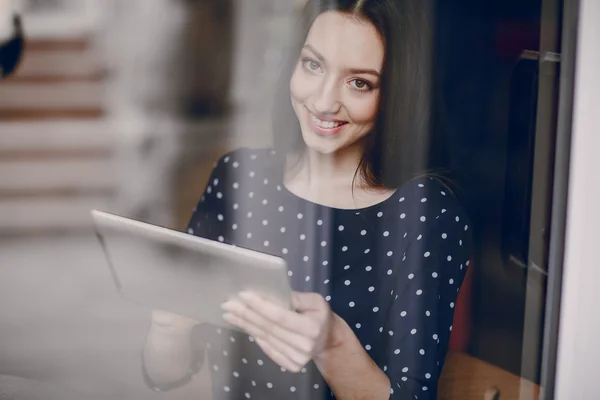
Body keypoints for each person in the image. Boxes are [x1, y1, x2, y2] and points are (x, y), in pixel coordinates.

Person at [143, 0, 472, 398]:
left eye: (360, 82)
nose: (323, 102)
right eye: (313, 65)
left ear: (396, 95)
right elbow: (167, 376)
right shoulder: (238, 175)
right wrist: (168, 326)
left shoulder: (426, 215)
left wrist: (332, 344)